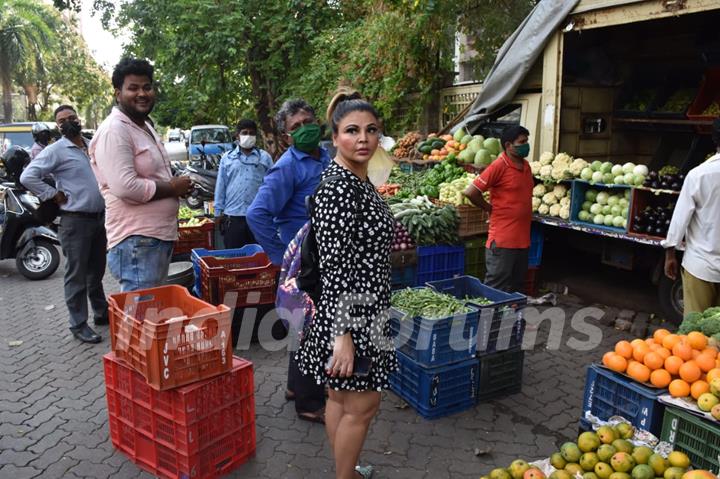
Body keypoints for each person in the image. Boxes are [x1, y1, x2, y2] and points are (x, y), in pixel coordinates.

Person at [295, 92, 395, 479]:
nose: (363, 139)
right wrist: (344, 336)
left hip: (356, 313)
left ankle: (346, 470)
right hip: (354, 318)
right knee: (362, 407)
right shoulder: (340, 188)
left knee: (338, 399)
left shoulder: (354, 179)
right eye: (352, 131)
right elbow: (336, 268)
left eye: (371, 130)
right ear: (334, 137)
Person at [247, 99, 331, 423]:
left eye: (307, 121)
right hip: (304, 262)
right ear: (286, 137)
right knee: (313, 326)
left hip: (323, 254)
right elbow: (257, 213)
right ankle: (310, 404)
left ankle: (297, 386)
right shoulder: (287, 166)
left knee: (303, 324)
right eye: (295, 127)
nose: (304, 129)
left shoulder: (325, 156)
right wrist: (282, 256)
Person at [90, 58, 192, 292]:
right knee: (142, 318)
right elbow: (125, 187)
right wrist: (172, 188)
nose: (142, 93)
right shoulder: (115, 130)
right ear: (118, 93)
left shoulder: (143, 125)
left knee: (149, 315)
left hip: (152, 239)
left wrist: (180, 185)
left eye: (146, 87)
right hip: (137, 240)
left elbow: (154, 173)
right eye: (133, 88)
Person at [20, 105, 107, 344]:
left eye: (71, 117)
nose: (68, 122)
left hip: (98, 218)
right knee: (76, 274)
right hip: (75, 221)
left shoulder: (90, 145)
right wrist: (52, 193)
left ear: (79, 119)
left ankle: (101, 313)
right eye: (61, 121)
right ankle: (78, 324)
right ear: (57, 126)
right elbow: (27, 176)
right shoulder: (56, 150)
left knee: (97, 270)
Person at [463, 125, 534, 293]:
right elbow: (471, 192)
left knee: (516, 286)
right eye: (522, 142)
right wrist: (489, 208)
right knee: (496, 286)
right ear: (509, 145)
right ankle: (489, 319)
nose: (526, 145)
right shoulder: (498, 166)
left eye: (527, 141)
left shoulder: (526, 166)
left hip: (523, 239)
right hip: (503, 240)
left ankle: (512, 317)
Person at [663, 118, 720, 314]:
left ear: (714, 139)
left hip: (700, 266)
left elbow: (680, 219)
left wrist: (670, 254)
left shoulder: (699, 175)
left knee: (696, 337)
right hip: (701, 265)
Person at [214, 119, 273, 249]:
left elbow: (272, 186)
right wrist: (218, 213)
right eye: (244, 133)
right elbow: (221, 186)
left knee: (258, 257)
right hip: (233, 217)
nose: (248, 136)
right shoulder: (227, 158)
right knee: (235, 259)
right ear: (237, 135)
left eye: (251, 133)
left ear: (256, 136)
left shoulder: (265, 158)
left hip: (258, 217)